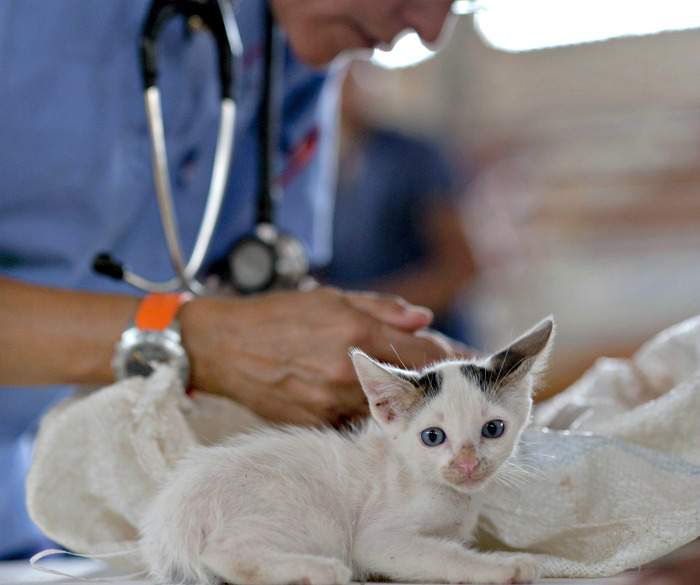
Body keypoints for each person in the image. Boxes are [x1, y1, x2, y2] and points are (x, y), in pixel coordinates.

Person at [0, 0, 455, 559]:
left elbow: (259, 282)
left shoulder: (291, 53)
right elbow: (218, 335)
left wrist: (338, 355)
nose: (431, 29)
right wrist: (193, 340)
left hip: (35, 513)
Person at [318, 67, 477, 344]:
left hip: (429, 341)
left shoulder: (414, 158)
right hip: (359, 345)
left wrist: (370, 310)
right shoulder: (308, 169)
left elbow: (460, 267)